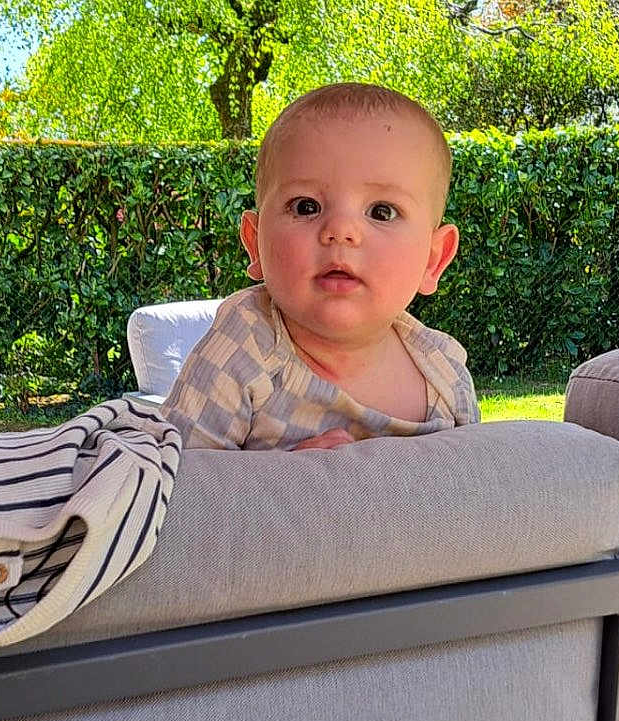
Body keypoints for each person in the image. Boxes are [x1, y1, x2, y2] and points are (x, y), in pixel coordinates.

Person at [162, 82, 480, 450]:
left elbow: (470, 493)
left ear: (433, 258)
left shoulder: (445, 375)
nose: (340, 231)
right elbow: (174, 483)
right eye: (306, 206)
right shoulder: (243, 349)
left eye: (382, 211)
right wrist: (288, 481)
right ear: (255, 243)